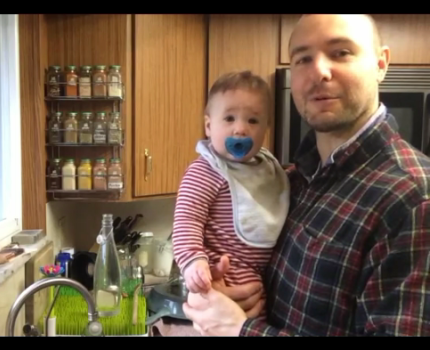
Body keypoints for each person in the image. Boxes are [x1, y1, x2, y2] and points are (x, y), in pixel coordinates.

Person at [182, 14, 430, 336]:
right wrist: (217, 287)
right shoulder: (293, 179)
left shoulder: (414, 199)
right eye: (303, 58)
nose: (319, 72)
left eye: (341, 52)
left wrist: (241, 330)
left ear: (381, 63)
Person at [171, 70, 290, 317]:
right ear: (208, 125)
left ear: (266, 128)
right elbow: (187, 220)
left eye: (253, 121)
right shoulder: (206, 171)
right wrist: (194, 261)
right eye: (229, 118)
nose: (240, 129)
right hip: (223, 274)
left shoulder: (268, 168)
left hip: (263, 281)